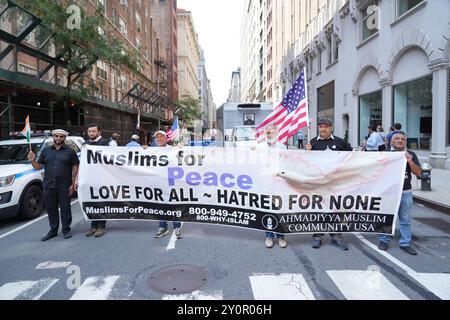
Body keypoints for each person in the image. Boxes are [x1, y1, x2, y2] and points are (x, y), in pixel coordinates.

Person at [306, 119, 352, 251]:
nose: (323, 129)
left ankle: (336, 236)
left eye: (326, 127)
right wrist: (306, 152)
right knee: (318, 210)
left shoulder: (339, 142)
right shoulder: (312, 143)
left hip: (336, 183)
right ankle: (317, 236)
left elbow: (352, 157)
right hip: (318, 184)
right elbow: (305, 164)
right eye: (320, 127)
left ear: (331, 128)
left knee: (335, 210)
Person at [27, 129, 79, 241]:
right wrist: (32, 160)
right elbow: (38, 167)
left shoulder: (70, 151)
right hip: (48, 184)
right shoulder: (46, 151)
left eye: (61, 136)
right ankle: (53, 230)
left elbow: (75, 167)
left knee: (65, 208)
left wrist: (73, 183)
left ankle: (66, 230)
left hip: (65, 184)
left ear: (65, 138)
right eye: (56, 136)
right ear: (53, 137)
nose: (58, 138)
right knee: (51, 208)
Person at [378, 131, 422, 255]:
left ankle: (405, 243)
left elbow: (418, 173)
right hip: (388, 193)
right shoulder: (385, 154)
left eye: (403, 139)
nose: (400, 140)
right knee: (386, 218)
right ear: (391, 141)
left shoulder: (411, 154)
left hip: (405, 192)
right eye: (397, 138)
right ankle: (384, 240)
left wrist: (410, 161)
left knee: (405, 220)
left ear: (405, 142)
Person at [258, 125, 287, 249]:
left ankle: (281, 236)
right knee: (268, 209)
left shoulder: (282, 147)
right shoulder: (260, 148)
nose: (270, 135)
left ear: (277, 133)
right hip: (265, 182)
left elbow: (287, 163)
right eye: (268, 133)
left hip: (279, 182)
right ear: (265, 134)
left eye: (272, 132)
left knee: (280, 208)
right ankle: (269, 235)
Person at [153, 131, 183, 239]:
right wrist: (143, 149)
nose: (159, 139)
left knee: (173, 204)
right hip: (159, 182)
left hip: (171, 181)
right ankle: (163, 227)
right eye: (157, 137)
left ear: (166, 138)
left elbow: (181, 159)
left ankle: (177, 227)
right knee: (161, 205)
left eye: (161, 137)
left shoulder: (172, 149)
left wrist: (181, 149)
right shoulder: (152, 151)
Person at [83, 124, 110, 237]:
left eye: (94, 131)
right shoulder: (86, 144)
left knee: (101, 202)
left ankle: (101, 226)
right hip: (90, 177)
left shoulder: (104, 142)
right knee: (92, 201)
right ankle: (93, 226)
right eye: (89, 131)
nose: (91, 133)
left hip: (102, 177)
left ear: (99, 132)